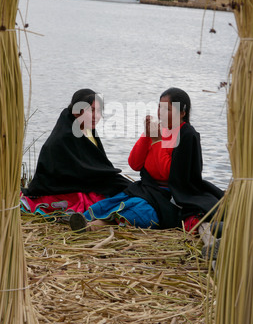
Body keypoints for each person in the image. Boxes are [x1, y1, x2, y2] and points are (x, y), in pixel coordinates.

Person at [69, 87, 224, 233]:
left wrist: (156, 141)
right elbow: (135, 164)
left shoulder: (186, 135)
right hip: (148, 189)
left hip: (172, 195)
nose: (160, 113)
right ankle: (83, 220)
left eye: (167, 109)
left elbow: (169, 175)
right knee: (110, 203)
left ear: (182, 113)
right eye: (159, 107)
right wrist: (146, 136)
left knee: (136, 209)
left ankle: (92, 227)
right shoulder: (159, 130)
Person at [21, 88, 130, 218]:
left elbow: (96, 164)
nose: (96, 116)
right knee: (119, 193)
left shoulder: (88, 130)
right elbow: (78, 171)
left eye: (99, 111)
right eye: (91, 110)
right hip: (63, 186)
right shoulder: (65, 137)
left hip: (85, 180)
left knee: (129, 189)